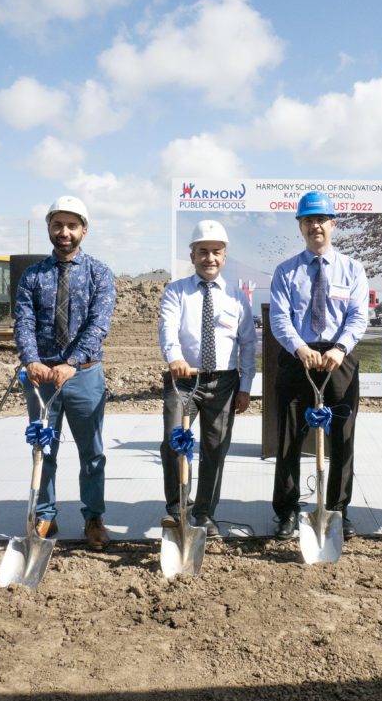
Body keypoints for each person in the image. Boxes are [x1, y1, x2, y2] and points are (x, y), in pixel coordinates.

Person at [14, 195, 117, 550]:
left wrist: (70, 365)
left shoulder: (99, 274)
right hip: (42, 378)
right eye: (58, 225)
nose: (64, 232)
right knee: (44, 449)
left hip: (84, 375)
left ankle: (93, 518)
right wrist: (32, 360)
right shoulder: (32, 276)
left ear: (83, 231)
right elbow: (23, 322)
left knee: (92, 453)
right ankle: (44, 515)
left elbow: (98, 325)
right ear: (49, 228)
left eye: (72, 225)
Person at [269, 190, 369, 540]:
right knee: (288, 440)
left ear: (333, 225)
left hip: (339, 360)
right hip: (299, 358)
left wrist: (341, 348)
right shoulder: (286, 271)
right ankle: (286, 511)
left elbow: (359, 316)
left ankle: (338, 508)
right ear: (300, 226)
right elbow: (280, 318)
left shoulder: (352, 269)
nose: (315, 226)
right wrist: (299, 348)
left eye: (321, 220)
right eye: (308, 220)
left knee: (342, 437)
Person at [158, 219, 256, 537]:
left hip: (224, 382)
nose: (209, 258)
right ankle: (177, 509)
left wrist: (245, 388)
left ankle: (204, 513)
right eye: (203, 252)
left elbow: (248, 345)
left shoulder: (237, 297)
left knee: (215, 448)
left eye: (216, 252)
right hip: (183, 378)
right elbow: (168, 329)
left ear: (224, 256)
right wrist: (174, 357)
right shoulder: (176, 292)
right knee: (175, 442)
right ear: (192, 256)